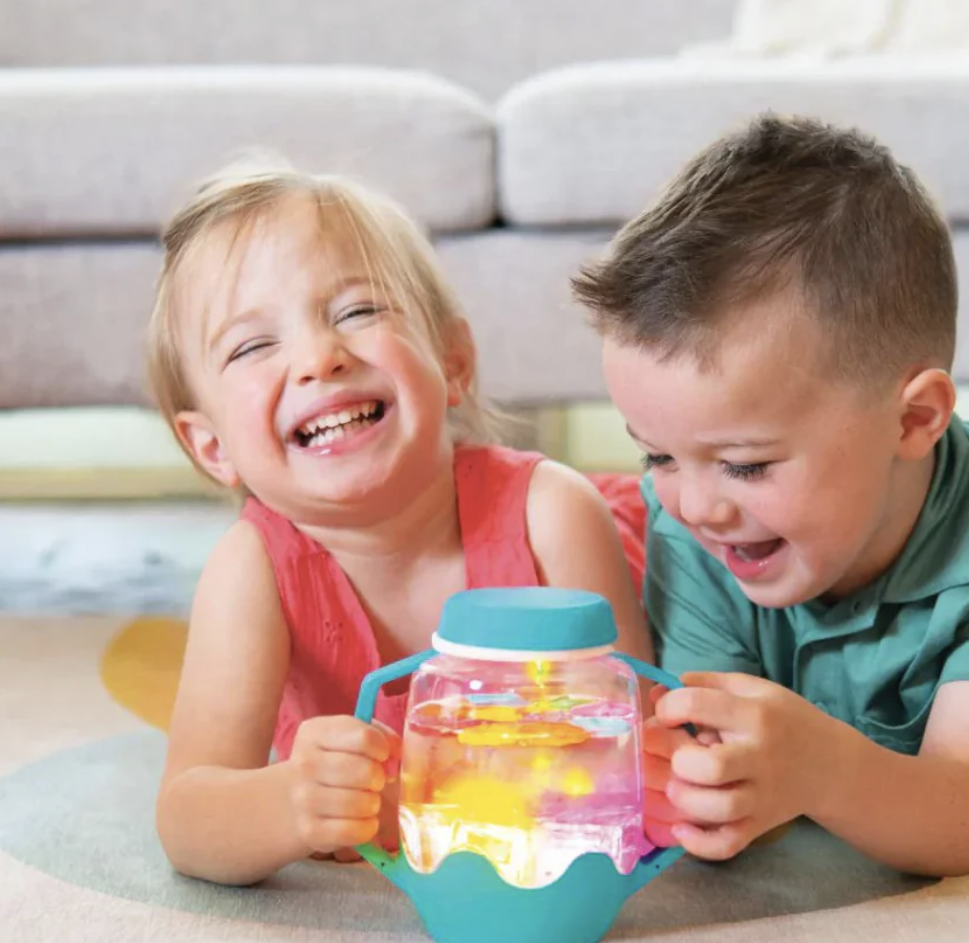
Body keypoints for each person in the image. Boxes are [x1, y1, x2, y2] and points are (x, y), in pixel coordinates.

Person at [572, 114, 969, 878]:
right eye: (659, 454)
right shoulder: (693, 526)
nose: (696, 505)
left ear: (913, 420)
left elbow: (965, 820)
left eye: (745, 465)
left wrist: (821, 770)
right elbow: (713, 757)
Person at [150, 161, 651, 886]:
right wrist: (288, 802)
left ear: (453, 363)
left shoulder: (554, 513)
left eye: (358, 312)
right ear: (212, 448)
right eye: (253, 346)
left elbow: (633, 761)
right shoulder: (251, 570)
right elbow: (187, 817)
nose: (320, 358)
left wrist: (428, 794)